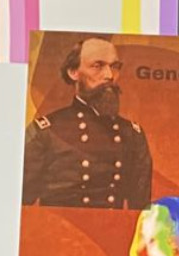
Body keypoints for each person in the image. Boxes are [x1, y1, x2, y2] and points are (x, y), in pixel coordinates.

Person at [22, 35, 154, 208]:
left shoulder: (132, 134)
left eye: (114, 67)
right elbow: (20, 207)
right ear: (73, 72)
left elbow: (140, 210)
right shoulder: (46, 132)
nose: (109, 76)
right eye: (97, 66)